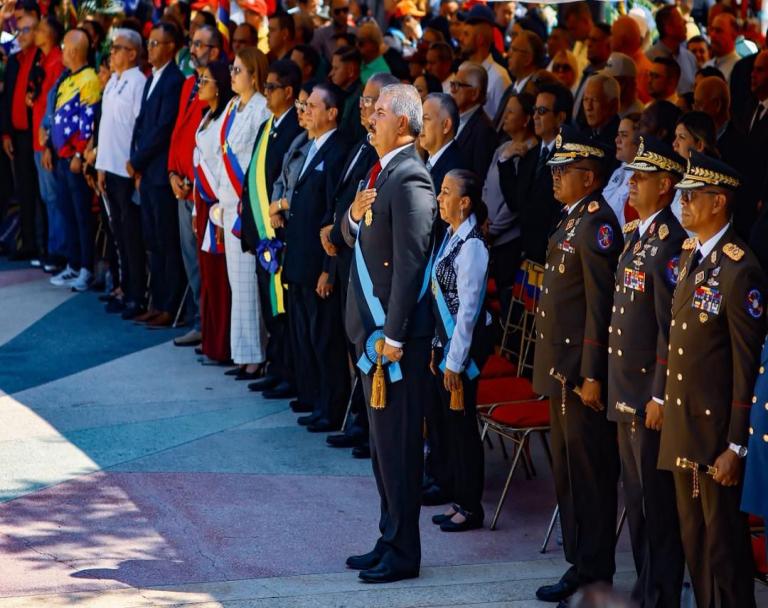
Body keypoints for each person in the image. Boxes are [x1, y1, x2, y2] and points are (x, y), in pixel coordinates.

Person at [658, 151, 766, 608]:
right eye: (682, 196)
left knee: (724, 550)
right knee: (695, 544)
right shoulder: (691, 254)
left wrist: (736, 446)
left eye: (691, 196)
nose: (682, 203)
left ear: (718, 202)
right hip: (686, 426)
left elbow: (747, 366)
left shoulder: (740, 270)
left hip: (716, 433)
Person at [341, 83, 435, 583]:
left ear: (402, 122)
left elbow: (411, 263)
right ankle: (388, 537)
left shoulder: (411, 176)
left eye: (379, 111)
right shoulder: (377, 172)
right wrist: (352, 217)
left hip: (393, 341)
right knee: (381, 450)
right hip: (371, 334)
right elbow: (348, 233)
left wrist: (394, 335)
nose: (370, 117)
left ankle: (404, 552)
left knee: (398, 450)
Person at [532, 126, 622, 606]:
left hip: (579, 374)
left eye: (565, 170)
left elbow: (599, 307)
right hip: (561, 370)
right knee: (568, 473)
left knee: (589, 476)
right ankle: (580, 563)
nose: (556, 177)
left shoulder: (597, 224)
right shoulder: (573, 219)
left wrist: (591, 374)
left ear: (589, 178)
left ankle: (594, 571)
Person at [607, 136, 687, 608]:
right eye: (633, 176)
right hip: (626, 387)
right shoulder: (639, 234)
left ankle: (661, 594)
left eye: (642, 178)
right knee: (635, 500)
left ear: (665, 186)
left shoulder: (670, 242)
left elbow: (667, 329)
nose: (632, 184)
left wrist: (658, 395)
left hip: (646, 394)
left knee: (656, 505)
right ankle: (645, 587)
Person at [321, 71, 400, 458]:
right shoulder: (362, 145)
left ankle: (370, 426)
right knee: (356, 346)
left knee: (370, 350)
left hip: (370, 269)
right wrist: (334, 232)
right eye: (364, 100)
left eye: (372, 101)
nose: (364, 107)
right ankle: (359, 421)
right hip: (346, 256)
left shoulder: (387, 155)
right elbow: (346, 199)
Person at [273, 82, 351, 432]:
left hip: (318, 263)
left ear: (332, 113)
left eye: (313, 106)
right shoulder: (311, 145)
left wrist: (328, 270)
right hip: (299, 259)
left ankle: (330, 407)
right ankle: (312, 396)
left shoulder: (337, 150)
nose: (304, 111)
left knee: (324, 339)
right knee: (305, 333)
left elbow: (333, 212)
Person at [429, 169, 491, 532]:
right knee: (449, 427)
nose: (439, 198)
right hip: (446, 346)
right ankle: (457, 497)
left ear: (464, 202)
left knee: (463, 428)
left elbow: (468, 310)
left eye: (446, 192)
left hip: (462, 353)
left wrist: (453, 361)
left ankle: (471, 507)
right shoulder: (452, 236)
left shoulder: (472, 246)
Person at [241, 59, 304, 397]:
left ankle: (288, 373)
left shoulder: (295, 127)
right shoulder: (269, 125)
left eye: (271, 87)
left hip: (279, 235)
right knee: (270, 308)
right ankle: (274, 366)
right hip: (263, 234)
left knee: (283, 311)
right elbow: (254, 173)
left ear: (288, 92)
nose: (265, 92)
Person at [211, 48, 270, 379]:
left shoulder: (261, 107)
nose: (232, 75)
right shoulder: (233, 106)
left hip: (247, 205)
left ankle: (256, 355)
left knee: (248, 283)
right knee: (237, 283)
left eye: (238, 70)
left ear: (254, 75)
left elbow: (257, 159)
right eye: (232, 69)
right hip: (227, 202)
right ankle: (243, 352)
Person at [419, 91, 463, 505]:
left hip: (446, 298)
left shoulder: (454, 165)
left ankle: (446, 476)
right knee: (431, 396)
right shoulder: (430, 162)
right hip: (430, 292)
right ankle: (435, 469)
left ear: (446, 125)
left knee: (443, 397)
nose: (421, 125)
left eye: (428, 118)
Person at [168, 24, 224, 343]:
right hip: (181, 185)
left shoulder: (218, 88)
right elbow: (178, 131)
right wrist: (172, 173)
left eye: (200, 45)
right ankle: (199, 322)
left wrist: (192, 178)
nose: (192, 49)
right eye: (192, 43)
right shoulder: (189, 83)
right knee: (190, 260)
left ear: (215, 51)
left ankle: (208, 327)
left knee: (205, 262)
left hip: (203, 191)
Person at [129, 21, 186, 325]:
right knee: (152, 240)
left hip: (160, 174)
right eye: (148, 42)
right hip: (147, 174)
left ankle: (169, 305)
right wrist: (134, 159)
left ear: (171, 47)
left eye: (155, 43)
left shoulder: (174, 80)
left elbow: (164, 128)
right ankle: (157, 300)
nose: (149, 49)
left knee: (165, 241)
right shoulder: (153, 77)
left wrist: (137, 160)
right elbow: (142, 122)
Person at [95, 28, 146, 319]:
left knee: (131, 235)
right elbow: (106, 126)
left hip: (127, 170)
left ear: (132, 53)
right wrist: (101, 166)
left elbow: (139, 127)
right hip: (110, 167)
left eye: (117, 49)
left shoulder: (138, 82)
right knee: (117, 233)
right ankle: (122, 287)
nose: (111, 53)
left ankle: (136, 294)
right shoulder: (113, 80)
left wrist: (136, 165)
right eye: (112, 48)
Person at [48, 28, 102, 292]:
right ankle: (73, 263)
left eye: (64, 47)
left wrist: (80, 154)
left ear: (74, 50)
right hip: (62, 158)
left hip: (75, 160)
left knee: (82, 215)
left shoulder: (89, 79)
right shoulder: (68, 77)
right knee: (67, 212)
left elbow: (88, 121)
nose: (61, 51)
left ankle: (86, 268)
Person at [192, 61, 234, 364]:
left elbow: (222, 166)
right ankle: (209, 339)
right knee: (207, 273)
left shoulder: (226, 118)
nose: (199, 85)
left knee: (220, 277)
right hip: (203, 201)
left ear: (219, 85)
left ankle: (222, 346)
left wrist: (217, 212)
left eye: (205, 80)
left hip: (218, 203)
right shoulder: (207, 116)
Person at [502, 83, 572, 264]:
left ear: (560, 117)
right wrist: (505, 162)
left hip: (551, 256)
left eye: (542, 111)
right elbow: (515, 202)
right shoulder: (530, 155)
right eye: (534, 110)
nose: (535, 116)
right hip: (525, 254)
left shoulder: (569, 159)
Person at [1, 10, 40, 261]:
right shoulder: (15, 60)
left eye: (26, 30)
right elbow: (7, 99)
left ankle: (42, 246)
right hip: (17, 135)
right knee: (24, 191)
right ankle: (27, 242)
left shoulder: (41, 59)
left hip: (36, 136)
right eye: (18, 30)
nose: (21, 35)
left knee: (41, 195)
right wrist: (6, 133)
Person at [30, 15, 64, 273]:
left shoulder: (57, 61)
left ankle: (58, 252)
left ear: (51, 34)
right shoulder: (41, 60)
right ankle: (51, 249)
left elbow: (55, 106)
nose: (35, 32)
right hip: (37, 139)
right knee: (46, 197)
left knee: (53, 198)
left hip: (46, 142)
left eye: (40, 29)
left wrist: (49, 143)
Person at [458, 9, 510, 120]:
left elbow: (503, 121)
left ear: (480, 40)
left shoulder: (499, 78)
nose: (460, 39)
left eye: (466, 34)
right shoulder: (462, 69)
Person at [451, 61, 497, 182]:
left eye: (458, 85)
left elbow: (478, 178)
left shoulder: (484, 131)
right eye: (452, 84)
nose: (452, 90)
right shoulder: (452, 119)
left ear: (475, 93)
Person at [646, 6, 697, 95]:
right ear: (668, 28)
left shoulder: (690, 58)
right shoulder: (649, 59)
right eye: (680, 20)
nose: (685, 22)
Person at [602, 113, 640, 227]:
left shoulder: (643, 178)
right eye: (618, 135)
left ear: (639, 141)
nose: (617, 140)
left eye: (624, 135)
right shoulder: (619, 171)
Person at [704, 13, 739, 84]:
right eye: (712, 29)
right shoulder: (706, 66)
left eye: (718, 31)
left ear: (734, 35)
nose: (712, 35)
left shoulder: (739, 69)